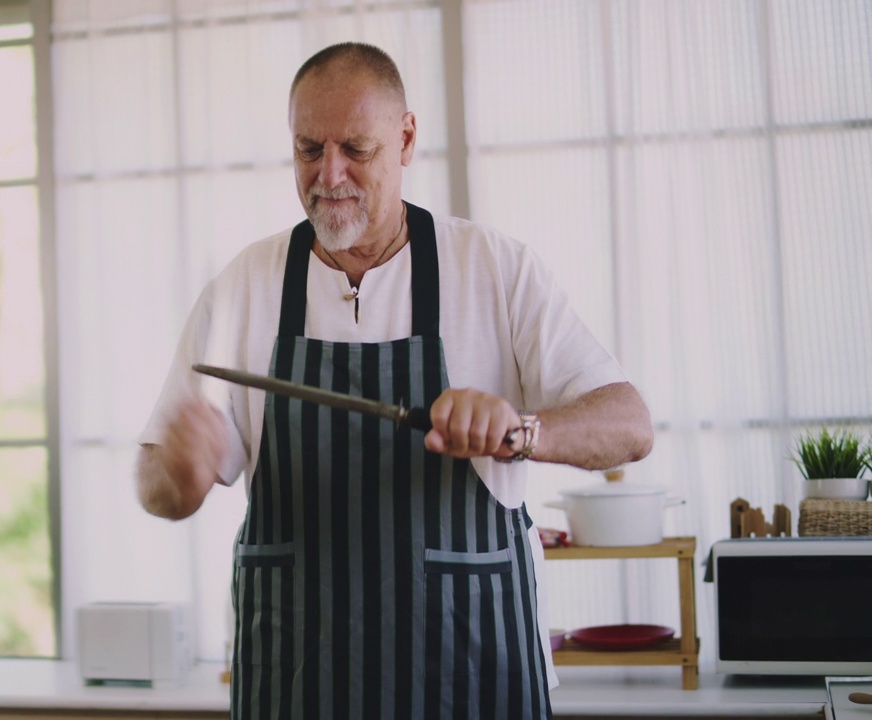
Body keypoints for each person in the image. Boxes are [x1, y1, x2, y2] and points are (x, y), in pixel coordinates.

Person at [135, 42, 653, 720]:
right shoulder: (244, 287)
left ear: (406, 138)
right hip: (297, 690)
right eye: (307, 149)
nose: (330, 174)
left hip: (473, 683)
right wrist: (179, 474)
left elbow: (630, 425)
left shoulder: (495, 268)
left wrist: (522, 433)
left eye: (356, 147)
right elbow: (155, 481)